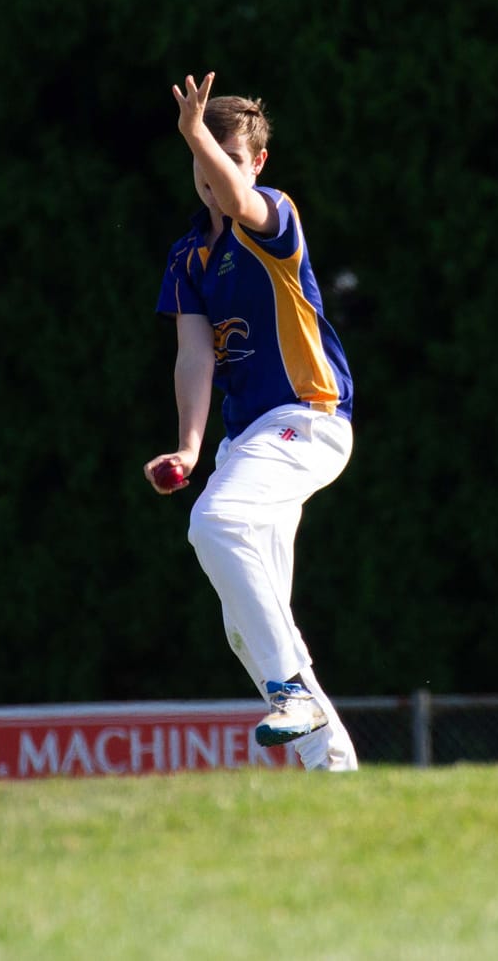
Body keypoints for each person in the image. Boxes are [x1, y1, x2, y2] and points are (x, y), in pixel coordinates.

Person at [145, 74, 358, 771]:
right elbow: (193, 354)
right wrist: (186, 445)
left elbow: (237, 200)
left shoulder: (272, 213)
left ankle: (291, 687)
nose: (211, 175)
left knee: (214, 523)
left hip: (308, 418)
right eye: (202, 161)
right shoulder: (188, 256)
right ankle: (336, 773)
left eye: (227, 157)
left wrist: (195, 132)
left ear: (255, 162)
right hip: (246, 440)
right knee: (250, 626)